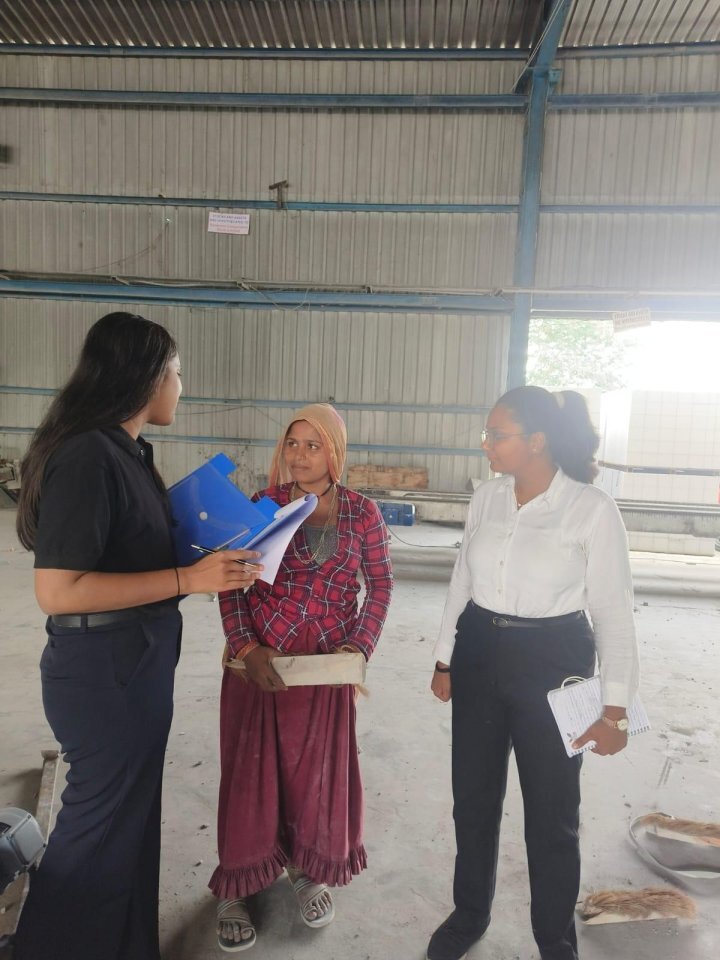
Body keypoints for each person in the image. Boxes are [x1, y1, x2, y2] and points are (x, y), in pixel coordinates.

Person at [13, 312, 261, 960]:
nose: (181, 385)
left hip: (133, 664)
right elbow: (58, 590)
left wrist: (217, 552)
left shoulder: (127, 453)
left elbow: (131, 550)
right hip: (104, 675)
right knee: (95, 836)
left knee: (129, 825)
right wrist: (188, 578)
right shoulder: (87, 456)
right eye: (176, 372)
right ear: (147, 377)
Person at [427, 386, 640, 960]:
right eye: (488, 434)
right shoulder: (487, 498)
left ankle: (554, 938)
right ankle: (469, 914)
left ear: (538, 441)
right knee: (473, 800)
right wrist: (445, 657)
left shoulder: (590, 509)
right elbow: (461, 583)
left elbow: (614, 612)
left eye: (497, 435)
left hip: (553, 660)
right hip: (479, 652)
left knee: (552, 813)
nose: (487, 444)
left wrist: (615, 710)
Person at [210, 403, 393, 952]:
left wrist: (357, 648)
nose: (299, 455)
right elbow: (230, 582)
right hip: (259, 670)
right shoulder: (263, 506)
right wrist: (247, 647)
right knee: (250, 778)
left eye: (313, 445)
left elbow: (380, 585)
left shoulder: (362, 514)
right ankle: (236, 886)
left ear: (335, 451)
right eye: (292, 443)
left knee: (314, 778)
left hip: (324, 673)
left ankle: (307, 870)